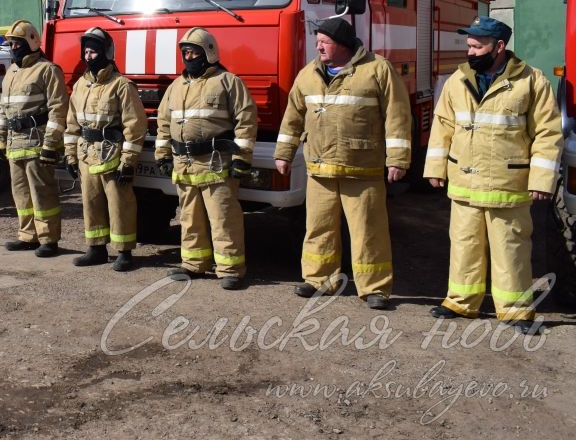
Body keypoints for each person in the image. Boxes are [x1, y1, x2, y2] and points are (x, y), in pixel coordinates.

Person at [424, 17, 562, 334]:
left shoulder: (531, 81)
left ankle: (515, 310)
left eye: (477, 45)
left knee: (510, 248)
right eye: (468, 45)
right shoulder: (457, 82)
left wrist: (541, 181)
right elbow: (442, 124)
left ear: (499, 47)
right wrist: (435, 168)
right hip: (465, 182)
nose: (470, 51)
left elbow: (547, 134)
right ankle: (461, 302)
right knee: (464, 244)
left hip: (507, 185)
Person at [274, 17, 411, 310]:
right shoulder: (307, 74)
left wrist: (397, 159)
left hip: (362, 168)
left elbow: (397, 117)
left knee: (368, 231)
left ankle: (375, 288)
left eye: (325, 41)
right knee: (318, 228)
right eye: (318, 41)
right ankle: (318, 279)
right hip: (320, 169)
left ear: (344, 44)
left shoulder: (377, 69)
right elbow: (292, 118)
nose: (318, 46)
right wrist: (283, 153)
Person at [155, 27, 257, 290]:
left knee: (223, 217)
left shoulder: (228, 81)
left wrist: (242, 157)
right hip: (185, 165)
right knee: (189, 219)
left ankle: (230, 269)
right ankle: (194, 264)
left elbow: (246, 120)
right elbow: (164, 123)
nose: (188, 57)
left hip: (216, 163)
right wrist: (163, 154)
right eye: (185, 52)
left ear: (208, 53)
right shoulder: (176, 87)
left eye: (193, 52)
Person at [64, 27, 148, 271]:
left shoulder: (121, 85)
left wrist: (129, 161)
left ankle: (124, 252)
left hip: (113, 155)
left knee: (119, 204)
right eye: (86, 52)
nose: (89, 56)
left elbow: (135, 125)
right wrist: (70, 156)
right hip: (86, 154)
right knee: (90, 203)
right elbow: (72, 124)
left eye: (94, 51)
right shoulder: (80, 85)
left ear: (107, 53)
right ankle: (96, 248)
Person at [0, 19, 69, 257]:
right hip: (15, 143)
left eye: (16, 43)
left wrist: (51, 144)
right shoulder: (11, 72)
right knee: (21, 194)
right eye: (10, 44)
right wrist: (0, 138)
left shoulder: (48, 70)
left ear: (31, 42)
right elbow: (4, 109)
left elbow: (58, 109)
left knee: (42, 193)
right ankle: (28, 236)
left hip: (37, 142)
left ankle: (49, 239)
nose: (13, 48)